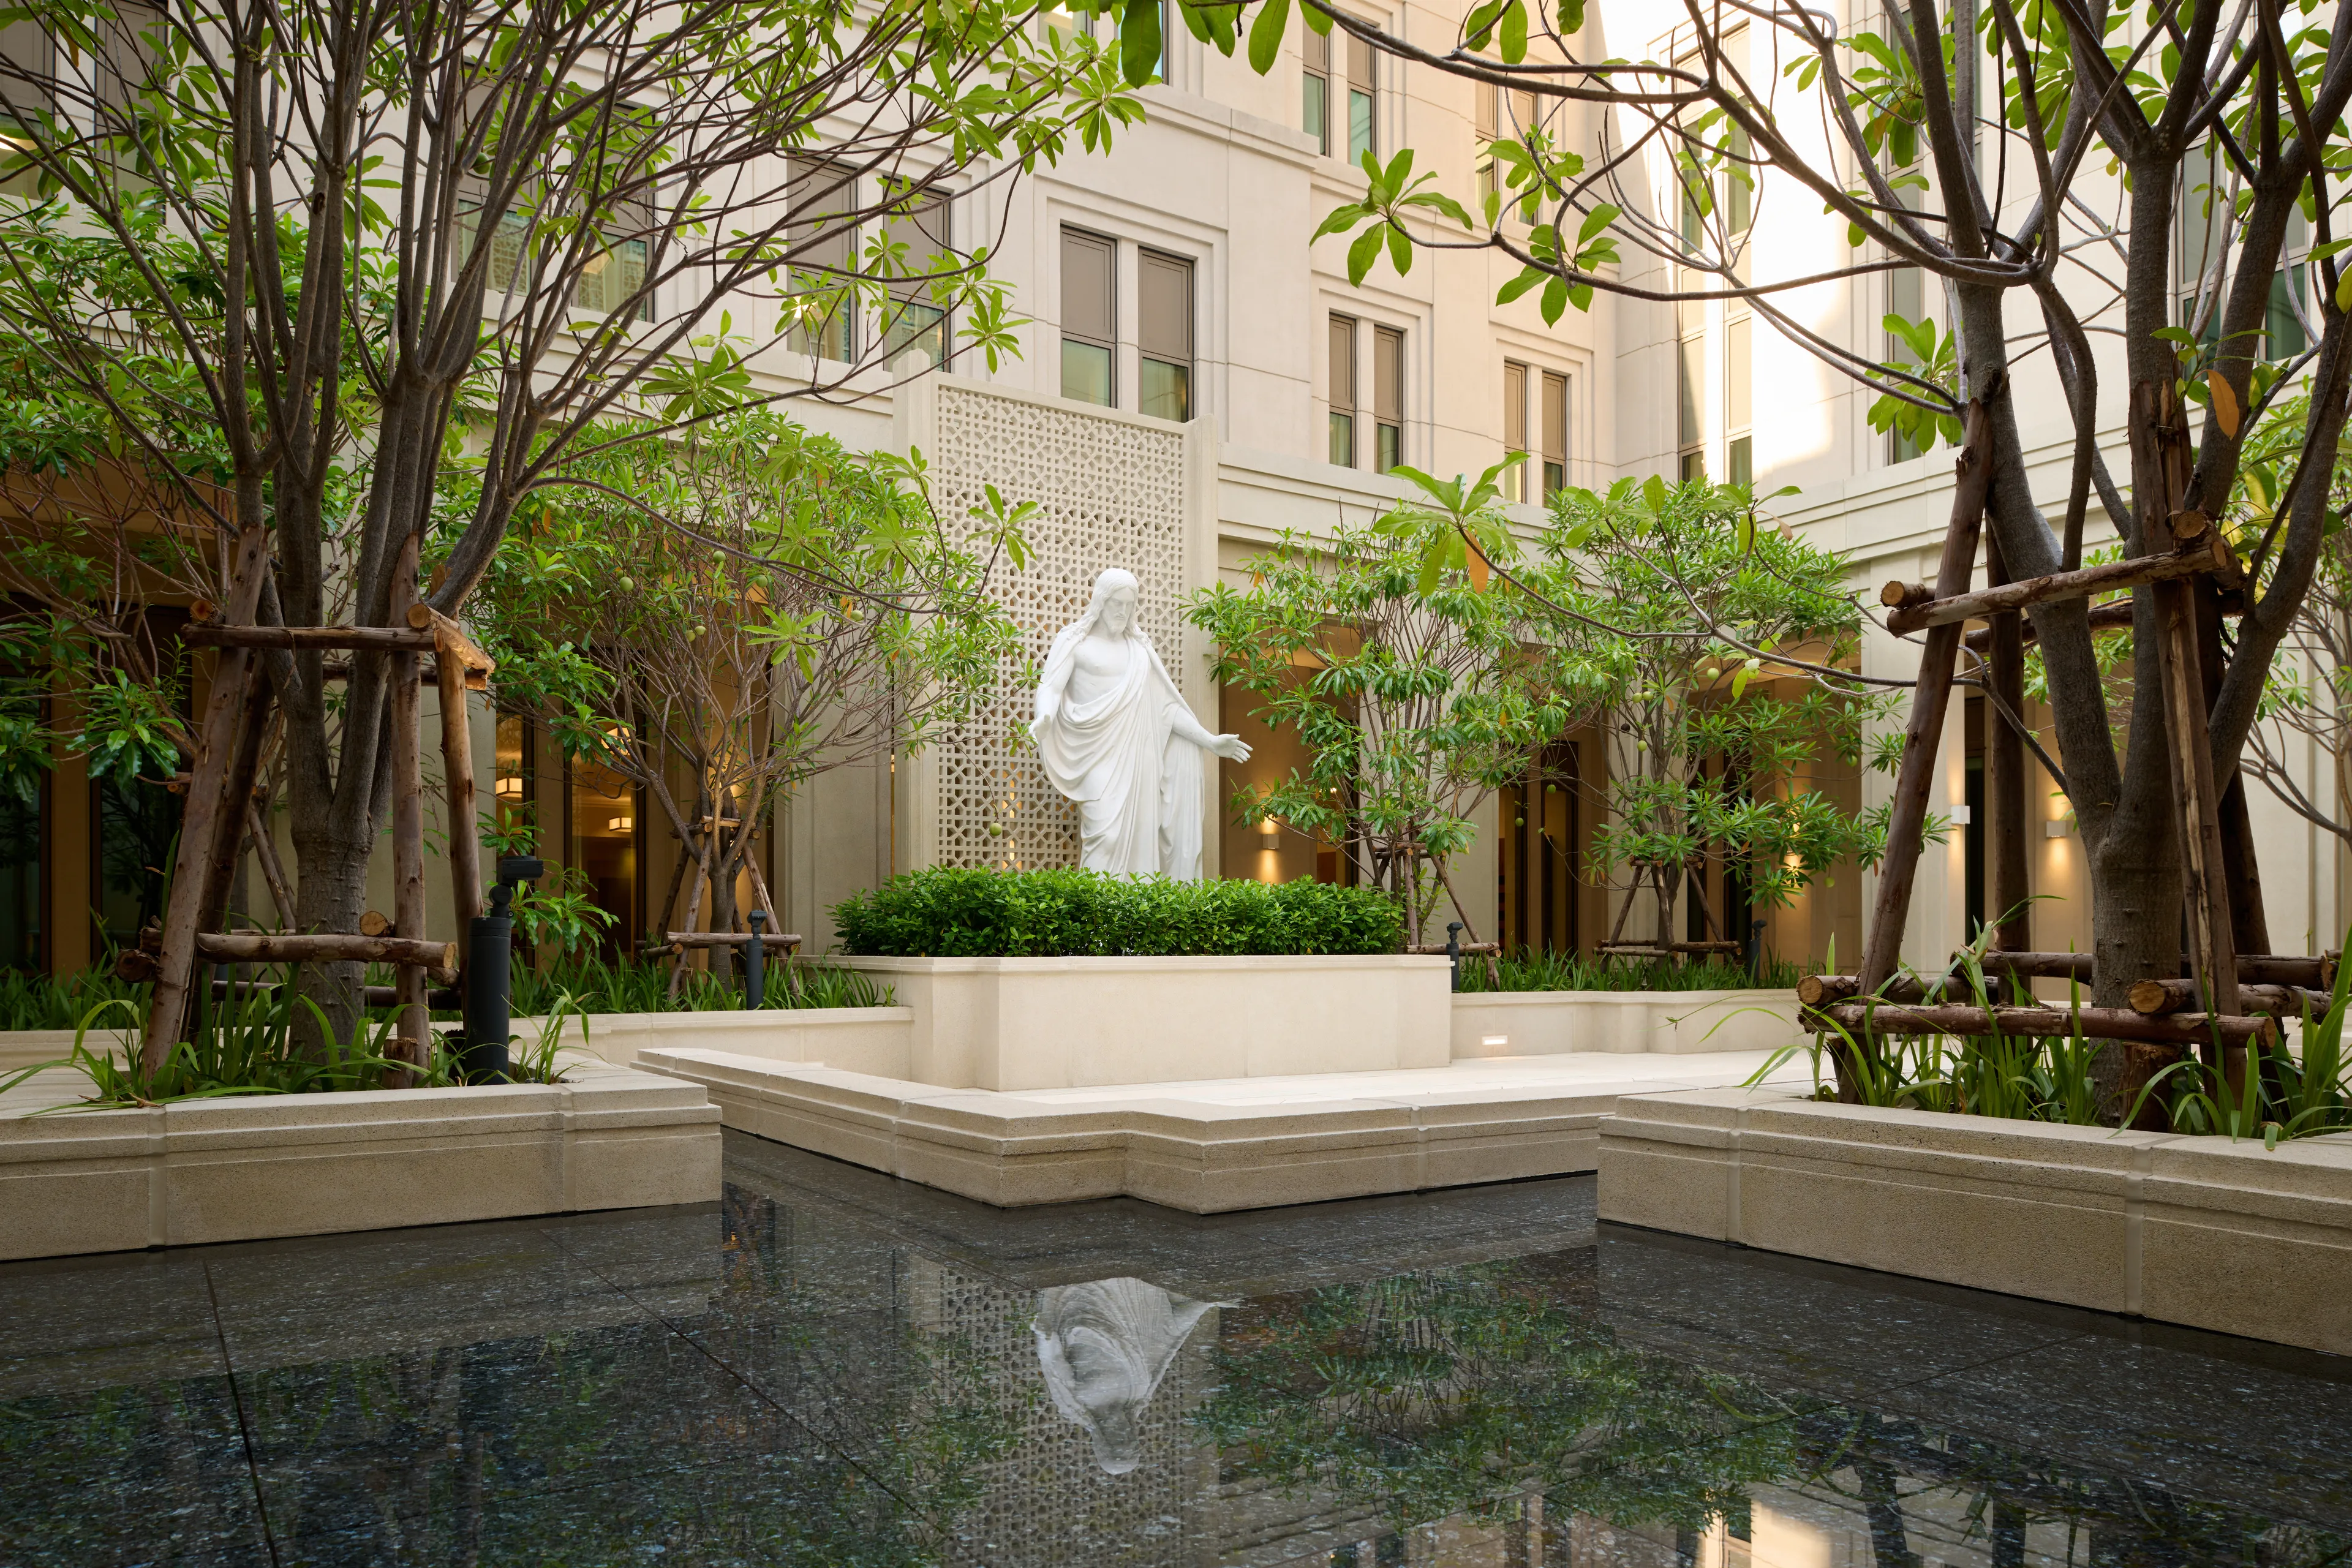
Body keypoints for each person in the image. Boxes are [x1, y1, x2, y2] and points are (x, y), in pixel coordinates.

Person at [1030, 567, 1249, 879]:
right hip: (1094, 754)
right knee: (1104, 837)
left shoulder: (1139, 651)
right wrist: (1045, 717)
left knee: (1140, 841)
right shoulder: (1074, 641)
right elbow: (1050, 687)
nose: (1122, 611)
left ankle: (1134, 922)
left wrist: (1210, 741)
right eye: (1116, 603)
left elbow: (1168, 709)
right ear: (1101, 601)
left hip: (1137, 758)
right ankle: (1098, 921)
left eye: (1129, 604)